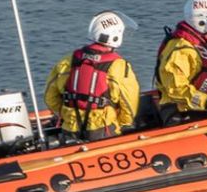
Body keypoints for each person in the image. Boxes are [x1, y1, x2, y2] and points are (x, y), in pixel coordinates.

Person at [44, 11, 140, 141]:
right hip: (103, 128)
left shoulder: (68, 60)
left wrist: (66, 114)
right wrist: (123, 123)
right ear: (115, 36)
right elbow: (129, 102)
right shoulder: (118, 66)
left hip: (70, 127)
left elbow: (50, 96)